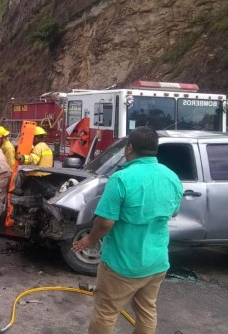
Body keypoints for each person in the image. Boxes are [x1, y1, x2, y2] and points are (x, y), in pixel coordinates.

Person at [72, 126, 183, 334]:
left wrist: (89, 240)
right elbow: (173, 212)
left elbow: (105, 223)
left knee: (106, 312)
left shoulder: (121, 179)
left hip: (123, 265)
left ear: (129, 147)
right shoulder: (172, 177)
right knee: (147, 310)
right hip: (157, 262)